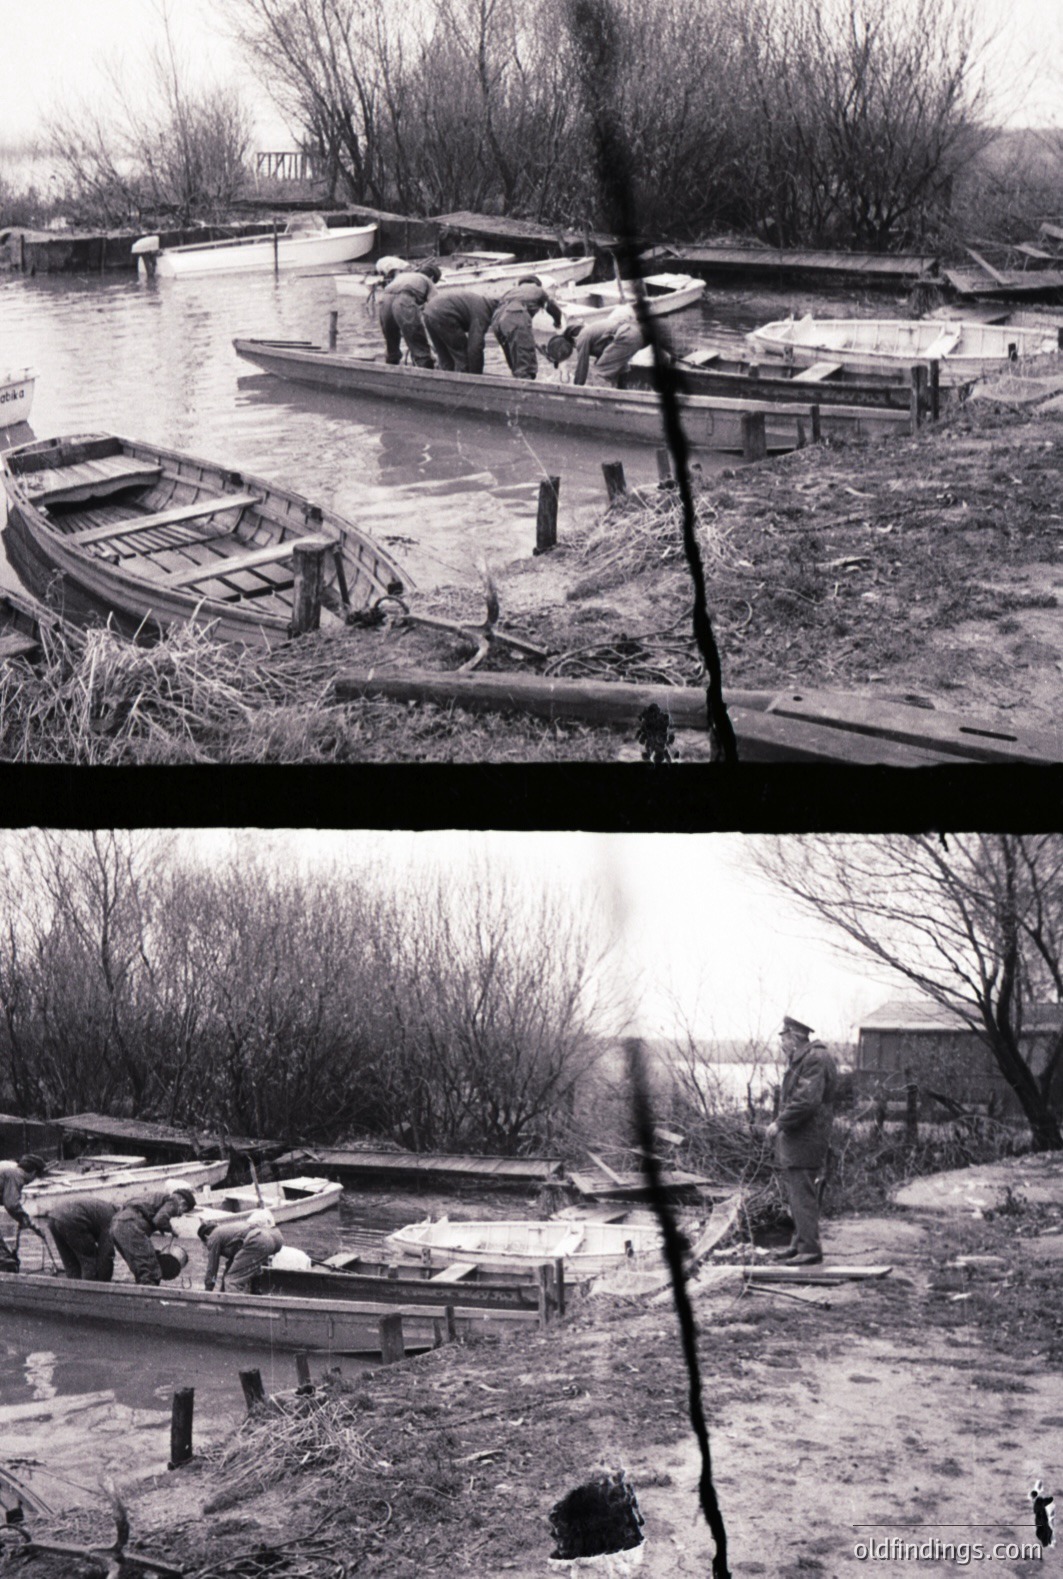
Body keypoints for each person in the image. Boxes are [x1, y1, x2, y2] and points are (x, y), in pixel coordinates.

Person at [766, 1016, 838, 1266]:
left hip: (807, 1137)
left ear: (794, 1038)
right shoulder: (806, 1058)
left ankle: (809, 1249)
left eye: (784, 1040)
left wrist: (780, 1123)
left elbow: (806, 1101)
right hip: (801, 1137)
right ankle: (799, 1244)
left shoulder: (814, 1058)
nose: (782, 1045)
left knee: (803, 1193)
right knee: (798, 1194)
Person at [111, 1180, 196, 1286]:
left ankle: (142, 1293)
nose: (179, 1215)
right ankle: (149, 1298)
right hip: (130, 1225)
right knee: (151, 1270)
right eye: (183, 1211)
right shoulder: (174, 1201)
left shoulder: (154, 1196)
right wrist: (170, 1229)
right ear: (183, 1204)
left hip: (116, 1224)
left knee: (140, 1266)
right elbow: (159, 1220)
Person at [490, 277, 563, 380]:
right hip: (515, 316)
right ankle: (527, 392)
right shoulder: (538, 291)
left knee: (515, 362)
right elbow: (553, 308)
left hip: (496, 321)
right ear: (537, 284)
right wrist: (558, 323)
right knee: (526, 367)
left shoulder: (510, 292)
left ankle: (517, 385)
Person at [423, 285, 507, 374]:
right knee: (462, 356)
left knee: (446, 357)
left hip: (428, 312)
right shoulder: (483, 311)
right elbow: (475, 347)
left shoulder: (480, 302)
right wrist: (477, 376)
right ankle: (465, 385)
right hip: (443, 314)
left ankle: (447, 384)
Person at [199, 1208, 284, 1293]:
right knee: (246, 1270)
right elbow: (233, 1264)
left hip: (260, 1238)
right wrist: (222, 1292)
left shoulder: (213, 1237)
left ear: (206, 1236)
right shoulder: (229, 1233)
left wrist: (208, 1291)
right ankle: (256, 1294)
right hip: (276, 1236)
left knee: (231, 1281)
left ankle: (232, 1306)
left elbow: (212, 1267)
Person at [378, 263, 441, 368]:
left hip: (385, 301)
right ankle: (426, 370)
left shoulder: (404, 275)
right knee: (418, 344)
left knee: (391, 341)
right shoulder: (428, 281)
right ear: (432, 277)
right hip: (404, 300)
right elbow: (436, 309)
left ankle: (391, 368)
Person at [44, 1197, 116, 1281]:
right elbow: (107, 1254)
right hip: (71, 1219)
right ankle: (90, 1290)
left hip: (53, 1218)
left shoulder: (103, 1207)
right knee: (90, 1261)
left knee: (71, 1264)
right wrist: (105, 1282)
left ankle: (75, 1290)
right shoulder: (112, 1218)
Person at [0, 1154, 47, 1265]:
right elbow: (11, 1204)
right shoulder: (17, 1175)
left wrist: (23, 1220)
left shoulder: (10, 1169)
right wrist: (25, 1219)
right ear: (33, 1173)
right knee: (4, 1259)